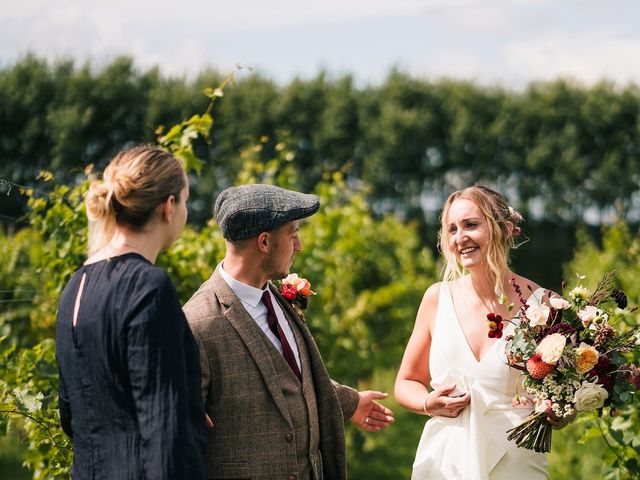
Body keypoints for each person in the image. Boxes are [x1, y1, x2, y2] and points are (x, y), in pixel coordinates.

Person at [183, 184, 395, 480]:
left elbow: (289, 378)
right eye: (293, 234)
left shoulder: (277, 296)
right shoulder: (197, 324)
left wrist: (350, 402)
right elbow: (180, 438)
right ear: (265, 242)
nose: (299, 246)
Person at [55, 146, 207, 479]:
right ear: (169, 207)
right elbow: (163, 430)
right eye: (185, 199)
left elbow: (71, 413)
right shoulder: (149, 287)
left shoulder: (75, 286)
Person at [395, 185, 557, 480]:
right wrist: (427, 403)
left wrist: (558, 411)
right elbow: (406, 382)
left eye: (471, 225)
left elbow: (563, 393)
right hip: (444, 460)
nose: (460, 238)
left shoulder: (543, 305)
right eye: (452, 229)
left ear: (504, 229)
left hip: (515, 458)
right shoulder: (436, 298)